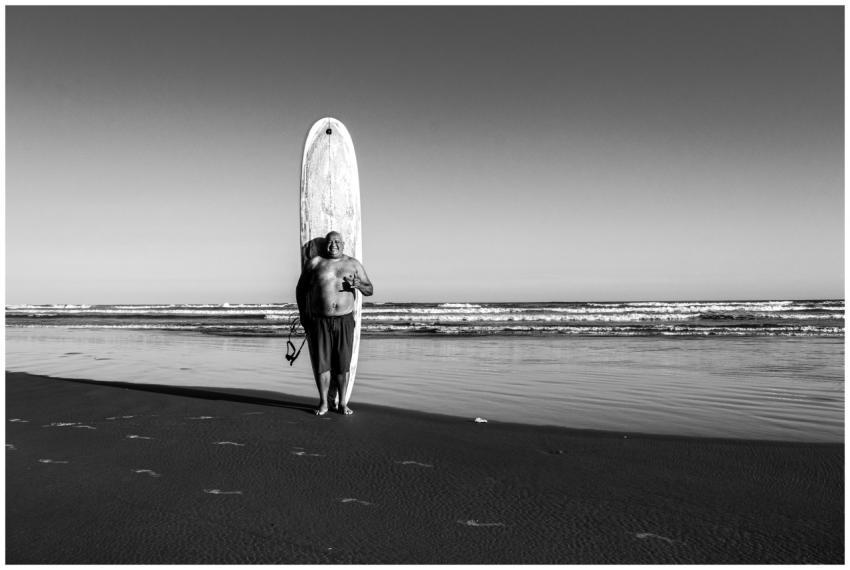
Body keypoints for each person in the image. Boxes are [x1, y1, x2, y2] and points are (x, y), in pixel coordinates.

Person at [296, 231, 373, 415]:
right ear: (325, 245)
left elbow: (370, 289)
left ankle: (342, 403)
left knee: (342, 364)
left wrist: (358, 285)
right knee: (322, 363)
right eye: (330, 242)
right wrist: (304, 314)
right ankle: (323, 403)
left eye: (337, 242)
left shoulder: (353, 264)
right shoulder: (315, 263)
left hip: (344, 320)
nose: (334, 245)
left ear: (343, 244)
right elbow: (301, 289)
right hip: (319, 320)